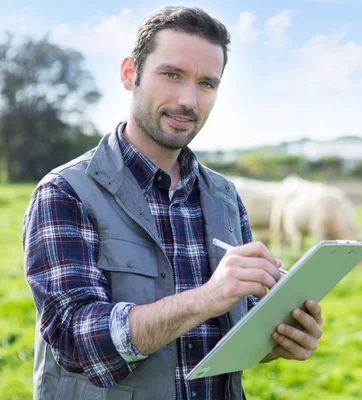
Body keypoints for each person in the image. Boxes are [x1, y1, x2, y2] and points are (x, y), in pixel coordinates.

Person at [22, 6, 323, 400]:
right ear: (130, 74)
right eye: (171, 75)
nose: (189, 100)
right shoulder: (65, 192)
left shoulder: (225, 197)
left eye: (206, 84)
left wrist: (278, 337)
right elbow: (77, 339)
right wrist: (207, 297)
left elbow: (227, 332)